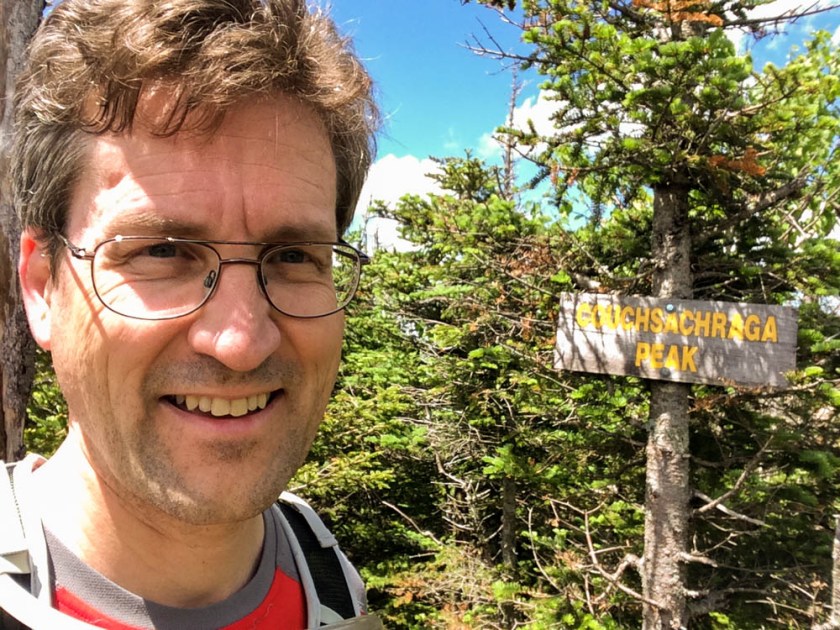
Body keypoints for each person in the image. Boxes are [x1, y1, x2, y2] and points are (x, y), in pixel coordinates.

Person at [0, 0, 380, 628]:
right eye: (163, 251)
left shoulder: (328, 575)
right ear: (43, 286)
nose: (241, 341)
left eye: (292, 255)